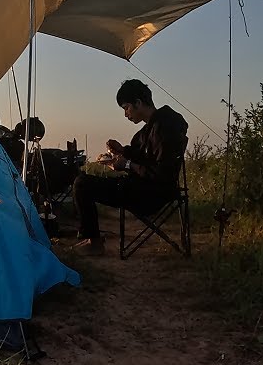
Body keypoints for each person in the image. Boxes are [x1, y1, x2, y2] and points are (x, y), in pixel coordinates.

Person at [72, 79, 188, 254]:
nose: (126, 114)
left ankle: (94, 242)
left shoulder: (165, 127)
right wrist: (121, 151)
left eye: (126, 108)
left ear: (138, 103)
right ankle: (91, 238)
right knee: (84, 182)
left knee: (82, 184)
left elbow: (160, 173)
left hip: (152, 194)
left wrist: (126, 164)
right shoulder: (149, 129)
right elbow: (142, 156)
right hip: (144, 187)